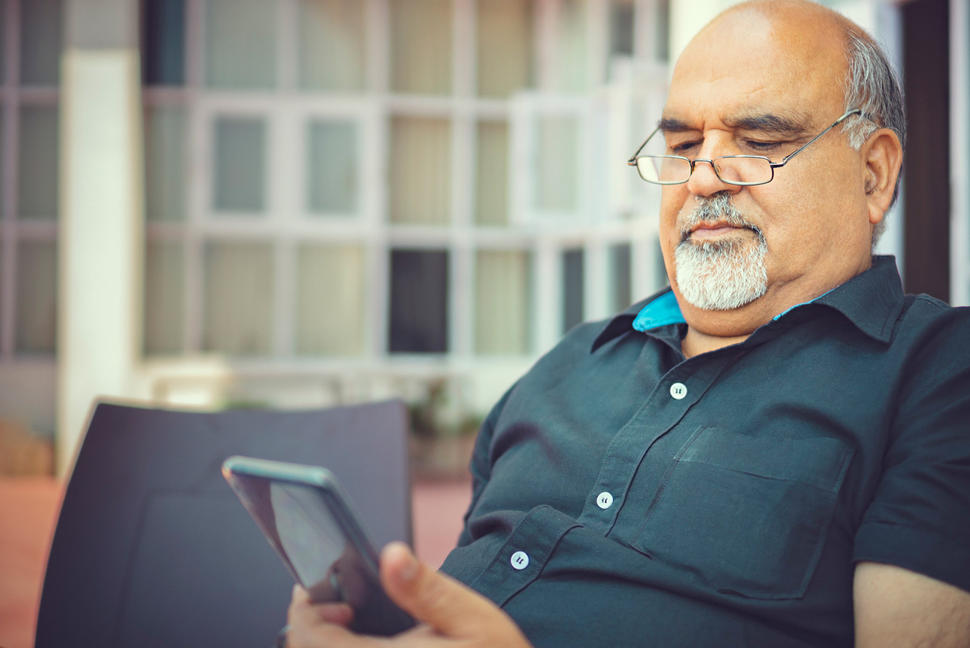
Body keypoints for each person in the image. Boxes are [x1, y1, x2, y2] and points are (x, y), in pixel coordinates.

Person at [284, 1, 970, 646]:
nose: (702, 179)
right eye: (681, 145)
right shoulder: (570, 364)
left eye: (757, 140)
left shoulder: (938, 375)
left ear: (873, 175)